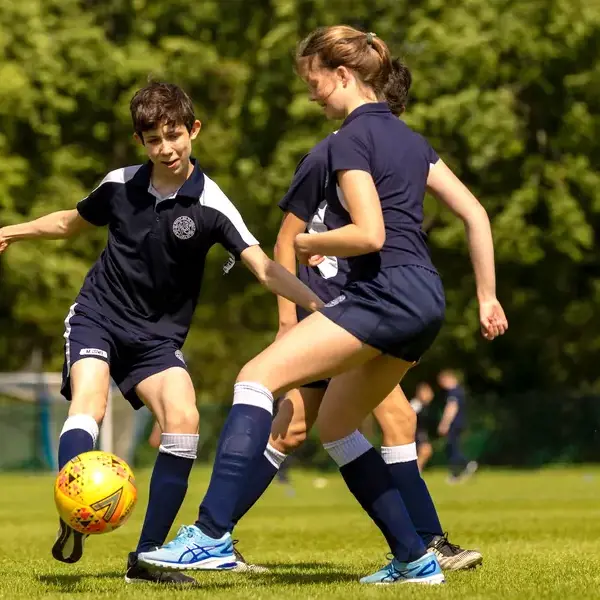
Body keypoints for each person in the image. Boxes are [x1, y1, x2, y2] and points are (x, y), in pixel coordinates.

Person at [139, 26, 507, 585]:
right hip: (426, 299)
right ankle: (416, 559)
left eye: (315, 83)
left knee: (255, 378)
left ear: (343, 76)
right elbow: (476, 214)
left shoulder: (347, 140)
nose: (313, 95)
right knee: (337, 425)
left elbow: (370, 235)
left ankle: (210, 535)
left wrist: (310, 245)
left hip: (382, 295)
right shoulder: (412, 140)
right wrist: (486, 296)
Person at [0, 82, 323, 586]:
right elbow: (68, 222)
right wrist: (8, 231)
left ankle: (149, 558)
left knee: (185, 418)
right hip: (98, 315)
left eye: (174, 135)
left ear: (193, 130)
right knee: (91, 401)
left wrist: (319, 305)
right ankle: (75, 515)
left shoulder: (212, 203)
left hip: (155, 339)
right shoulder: (119, 185)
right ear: (140, 141)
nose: (165, 148)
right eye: (153, 139)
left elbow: (263, 269)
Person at [226, 75, 481, 571]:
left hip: (362, 311)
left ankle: (425, 544)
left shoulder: (373, 157)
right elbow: (285, 242)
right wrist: (287, 321)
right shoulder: (329, 154)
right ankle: (216, 535)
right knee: (294, 427)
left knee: (391, 420)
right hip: (330, 312)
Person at [437, 369, 478, 482]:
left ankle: (459, 471)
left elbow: (452, 408)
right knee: (453, 447)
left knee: (452, 448)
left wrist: (444, 423)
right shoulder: (460, 391)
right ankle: (464, 467)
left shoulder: (454, 392)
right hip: (460, 423)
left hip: (454, 424)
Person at [410, 382, 436, 472]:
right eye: (427, 393)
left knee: (426, 451)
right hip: (414, 433)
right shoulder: (415, 405)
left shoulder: (424, 406)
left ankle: (416, 470)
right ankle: (415, 470)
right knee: (426, 450)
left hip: (421, 433)